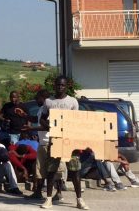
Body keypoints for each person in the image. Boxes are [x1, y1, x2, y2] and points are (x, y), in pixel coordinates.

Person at [40, 75, 89, 209]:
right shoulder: (49, 101)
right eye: (58, 85)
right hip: (55, 139)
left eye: (62, 85)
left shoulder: (72, 101)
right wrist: (48, 125)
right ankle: (49, 199)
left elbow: (77, 121)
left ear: (66, 86)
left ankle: (79, 200)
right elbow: (42, 119)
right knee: (51, 170)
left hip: (70, 141)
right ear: (54, 86)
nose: (60, 87)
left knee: (75, 171)